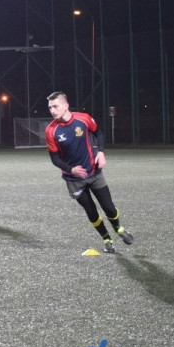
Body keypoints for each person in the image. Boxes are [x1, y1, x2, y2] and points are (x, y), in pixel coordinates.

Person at [45, 91, 134, 254]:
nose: (52, 110)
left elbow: (98, 133)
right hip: (73, 180)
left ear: (66, 106)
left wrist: (100, 151)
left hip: (94, 172)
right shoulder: (51, 131)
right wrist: (71, 169)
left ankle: (119, 229)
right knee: (91, 211)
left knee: (109, 208)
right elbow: (55, 159)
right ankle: (107, 240)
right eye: (50, 107)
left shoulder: (83, 119)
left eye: (55, 106)